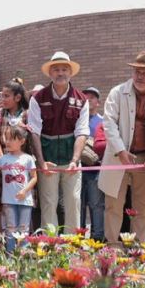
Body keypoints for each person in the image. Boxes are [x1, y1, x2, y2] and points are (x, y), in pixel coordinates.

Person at [98, 51, 145, 244]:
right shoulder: (117, 93)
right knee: (113, 204)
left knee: (143, 206)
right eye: (137, 71)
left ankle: (139, 245)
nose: (140, 76)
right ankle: (112, 246)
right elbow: (109, 124)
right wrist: (121, 150)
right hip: (118, 156)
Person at [27, 52, 89, 231]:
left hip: (71, 158)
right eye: (56, 70)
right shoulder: (37, 98)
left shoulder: (81, 99)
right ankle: (50, 243)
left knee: (73, 200)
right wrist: (41, 162)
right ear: (49, 73)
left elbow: (82, 133)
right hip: (48, 157)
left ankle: (73, 244)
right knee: (48, 201)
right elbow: (34, 132)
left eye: (64, 69)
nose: (60, 73)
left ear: (71, 73)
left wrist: (75, 161)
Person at [0, 124, 38, 253]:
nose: (7, 142)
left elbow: (34, 178)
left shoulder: (28, 159)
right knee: (10, 228)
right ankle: (10, 254)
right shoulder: (2, 159)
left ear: (22, 141)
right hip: (8, 201)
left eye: (12, 139)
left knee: (24, 228)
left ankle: (23, 255)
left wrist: (24, 191)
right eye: (6, 138)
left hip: (25, 201)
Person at [0, 79, 29, 235]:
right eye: (1, 95)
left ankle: (22, 232)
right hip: (2, 162)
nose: (3, 99)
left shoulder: (26, 115)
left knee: (22, 196)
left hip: (21, 163)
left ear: (18, 97)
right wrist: (3, 160)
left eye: (7, 96)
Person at [80, 85, 105, 240]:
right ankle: (78, 238)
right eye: (85, 98)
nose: (88, 100)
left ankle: (97, 239)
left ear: (98, 102)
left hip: (96, 170)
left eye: (92, 97)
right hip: (77, 170)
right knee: (78, 206)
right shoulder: (77, 121)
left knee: (96, 206)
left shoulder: (103, 122)